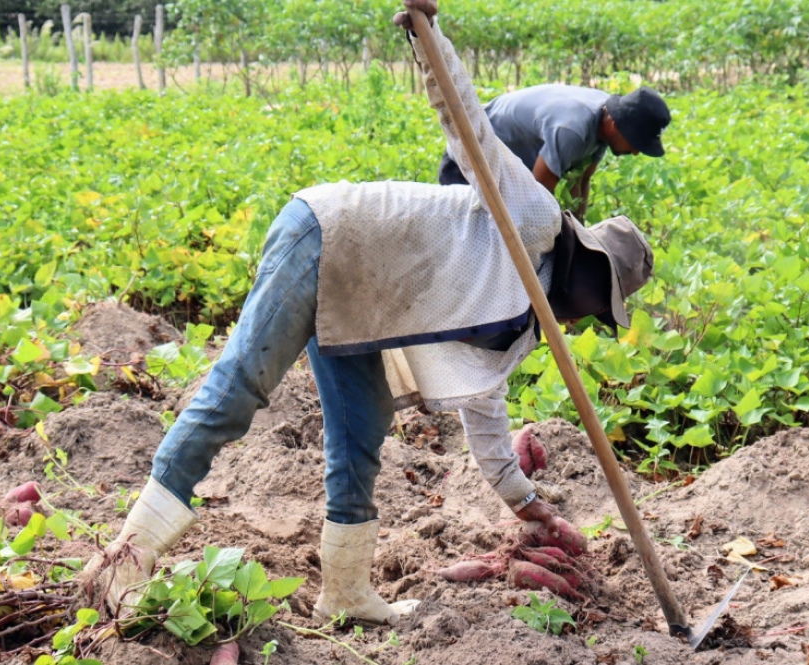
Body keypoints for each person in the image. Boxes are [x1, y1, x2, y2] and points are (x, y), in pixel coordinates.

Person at [84, 0, 654, 627]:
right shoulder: (536, 223)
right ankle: (126, 560)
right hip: (333, 236)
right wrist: (427, 35)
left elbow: (486, 418)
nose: (582, 325)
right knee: (240, 387)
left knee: (362, 428)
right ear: (588, 273)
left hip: (368, 300)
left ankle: (347, 592)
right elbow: (473, 135)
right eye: (598, 310)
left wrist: (528, 504)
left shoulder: (522, 326)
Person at [437, 83, 671, 219]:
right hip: (470, 161)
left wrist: (579, 233)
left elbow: (581, 181)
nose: (636, 152)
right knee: (471, 248)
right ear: (614, 126)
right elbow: (535, 198)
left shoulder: (605, 123)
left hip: (507, 173)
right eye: (635, 142)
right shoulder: (573, 129)